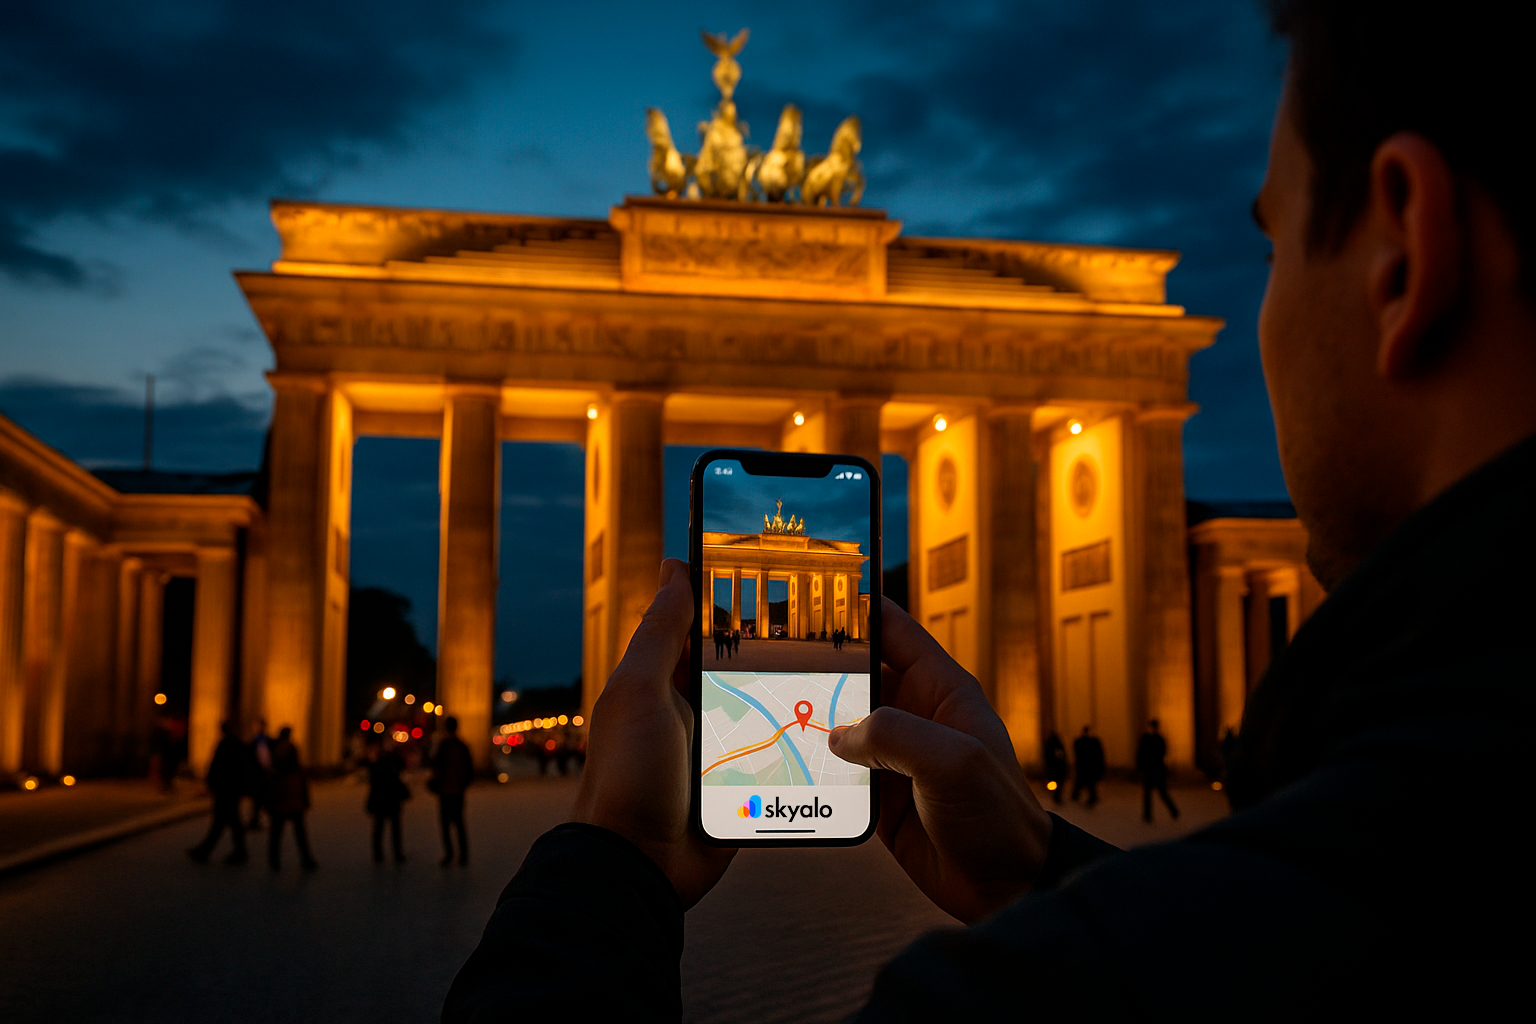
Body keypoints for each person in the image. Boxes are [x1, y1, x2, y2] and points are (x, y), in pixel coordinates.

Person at [444, 3, 1533, 1016]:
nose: (1261, 308)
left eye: (1272, 244)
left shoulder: (1039, 990)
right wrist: (1042, 869)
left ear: (1403, 250)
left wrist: (606, 869)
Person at [187, 721, 249, 865]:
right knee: (230, 821)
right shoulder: (237, 743)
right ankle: (235, 850)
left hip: (226, 789)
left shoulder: (227, 744)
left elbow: (220, 766)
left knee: (223, 820)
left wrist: (212, 782)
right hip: (232, 788)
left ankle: (208, 850)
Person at [267, 726, 317, 872]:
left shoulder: (277, 753)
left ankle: (274, 860)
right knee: (299, 832)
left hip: (282, 800)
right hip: (293, 800)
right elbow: (301, 784)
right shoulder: (291, 754)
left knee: (277, 832)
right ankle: (306, 859)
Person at [430, 716, 473, 867]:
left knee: (445, 825)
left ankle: (449, 854)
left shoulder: (443, 746)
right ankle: (463, 855)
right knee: (459, 823)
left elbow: (435, 765)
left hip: (445, 790)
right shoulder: (462, 746)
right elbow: (469, 767)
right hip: (458, 790)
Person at [366, 736, 409, 863]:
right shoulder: (380, 758)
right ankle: (381, 853)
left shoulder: (391, 758)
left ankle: (394, 853)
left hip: (389, 796)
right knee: (382, 827)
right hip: (384, 796)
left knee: (390, 827)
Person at [1136, 719, 1179, 822]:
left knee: (1162, 792)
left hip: (1156, 769)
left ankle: (1173, 811)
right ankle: (1147, 815)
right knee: (1148, 794)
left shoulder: (1158, 739)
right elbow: (1140, 753)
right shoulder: (1146, 738)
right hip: (1150, 769)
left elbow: (1162, 752)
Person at [245, 718, 272, 831]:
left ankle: (256, 820)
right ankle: (256, 820)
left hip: (261, 775)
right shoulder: (262, 740)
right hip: (260, 775)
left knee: (261, 799)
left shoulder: (261, 741)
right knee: (260, 800)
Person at [1070, 725, 1104, 806]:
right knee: (1085, 782)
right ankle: (1078, 796)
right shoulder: (1090, 742)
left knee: (1087, 783)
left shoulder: (1085, 741)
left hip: (1087, 766)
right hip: (1087, 766)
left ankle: (1085, 796)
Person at [1042, 730, 1069, 805]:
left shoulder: (1051, 744)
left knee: (1057, 783)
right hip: (1057, 768)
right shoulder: (1057, 744)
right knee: (1058, 783)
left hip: (1054, 768)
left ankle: (1057, 797)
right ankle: (1057, 797)